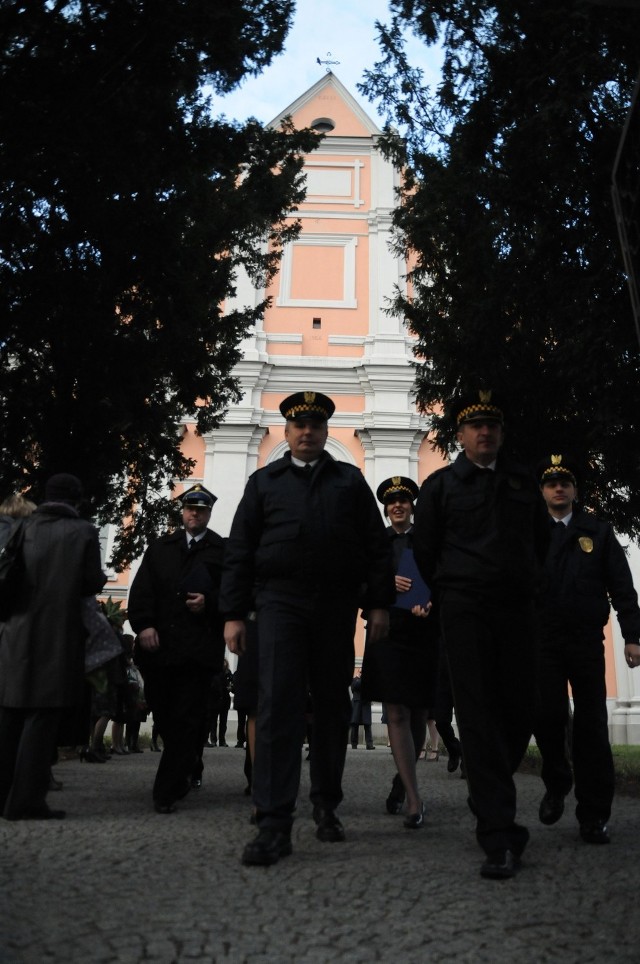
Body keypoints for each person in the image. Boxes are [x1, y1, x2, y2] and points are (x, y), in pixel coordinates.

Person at [221, 390, 395, 866]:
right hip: (278, 603)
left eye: (315, 426)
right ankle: (274, 822)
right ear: (286, 432)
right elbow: (239, 550)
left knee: (333, 706)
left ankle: (326, 803)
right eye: (298, 426)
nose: (306, 433)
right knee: (278, 705)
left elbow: (376, 546)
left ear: (324, 432)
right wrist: (233, 614)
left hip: (336, 605)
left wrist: (378, 604)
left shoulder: (349, 480)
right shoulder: (264, 482)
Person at [413, 390, 549, 879]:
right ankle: (498, 833)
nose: (484, 433)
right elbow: (425, 550)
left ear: (501, 433)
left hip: (516, 607)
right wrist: (454, 589)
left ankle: (491, 790)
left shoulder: (521, 483)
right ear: (462, 436)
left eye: (492, 426)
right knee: (475, 714)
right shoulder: (442, 486)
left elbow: (540, 541)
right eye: (475, 427)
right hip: (465, 608)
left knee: (521, 707)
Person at [533, 453, 640, 844]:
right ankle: (557, 780)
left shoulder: (598, 532)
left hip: (583, 641)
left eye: (565, 482)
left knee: (592, 725)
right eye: (550, 483)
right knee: (546, 716)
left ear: (575, 490)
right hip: (542, 641)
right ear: (542, 491)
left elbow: (622, 587)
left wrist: (632, 635)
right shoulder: (530, 534)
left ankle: (594, 814)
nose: (558, 488)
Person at [0, 473, 106, 819]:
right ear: (76, 501)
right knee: (41, 719)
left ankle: (3, 796)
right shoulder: (84, 532)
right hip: (59, 633)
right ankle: (27, 801)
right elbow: (90, 582)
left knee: (10, 713)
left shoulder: (22, 527)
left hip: (16, 631)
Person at [128, 483, 225, 813]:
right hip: (160, 648)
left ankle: (165, 791)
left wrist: (210, 602)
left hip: (197, 651)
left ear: (209, 513)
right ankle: (187, 761)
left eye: (201, 509)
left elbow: (234, 596)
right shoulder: (160, 548)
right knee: (164, 713)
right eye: (189, 509)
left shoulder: (220, 551)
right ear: (182, 512)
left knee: (186, 717)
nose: (194, 514)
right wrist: (144, 625)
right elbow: (142, 591)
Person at [361, 476, 439, 829]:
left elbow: (441, 579)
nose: (397, 507)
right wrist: (384, 583)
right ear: (385, 507)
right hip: (387, 632)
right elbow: (357, 583)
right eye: (392, 502)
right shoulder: (373, 543)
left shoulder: (427, 541)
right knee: (395, 713)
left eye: (404, 501)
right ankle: (413, 796)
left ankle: (400, 781)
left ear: (411, 506)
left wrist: (431, 603)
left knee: (420, 713)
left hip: (423, 632)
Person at [349, 668, 375, 750]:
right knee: (354, 724)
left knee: (367, 725)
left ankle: (369, 744)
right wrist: (359, 678)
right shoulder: (355, 680)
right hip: (356, 704)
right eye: (360, 671)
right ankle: (354, 744)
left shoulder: (368, 680)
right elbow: (354, 687)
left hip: (365, 704)